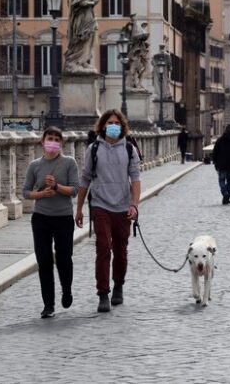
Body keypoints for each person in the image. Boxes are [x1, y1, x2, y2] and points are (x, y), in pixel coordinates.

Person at [75, 109, 141, 313]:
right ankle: (103, 293)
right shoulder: (94, 149)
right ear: (103, 126)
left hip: (122, 206)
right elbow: (85, 178)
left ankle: (118, 285)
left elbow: (136, 178)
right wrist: (78, 208)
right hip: (100, 205)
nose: (113, 125)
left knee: (121, 250)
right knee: (103, 248)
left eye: (117, 123)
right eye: (109, 122)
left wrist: (134, 205)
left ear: (122, 126)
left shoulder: (130, 149)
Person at [22, 127, 79, 319]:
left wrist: (56, 186)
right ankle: (48, 304)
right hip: (41, 218)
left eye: (56, 139)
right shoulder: (34, 165)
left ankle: (67, 290)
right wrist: (42, 194)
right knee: (44, 261)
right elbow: (26, 192)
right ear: (42, 142)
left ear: (61, 143)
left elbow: (74, 190)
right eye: (50, 138)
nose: (52, 142)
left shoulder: (69, 162)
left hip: (63, 217)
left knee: (64, 258)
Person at [64, 0, 102, 73]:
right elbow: (79, 1)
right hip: (83, 17)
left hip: (88, 15)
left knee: (89, 37)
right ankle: (77, 61)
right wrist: (92, 2)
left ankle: (84, 60)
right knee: (84, 37)